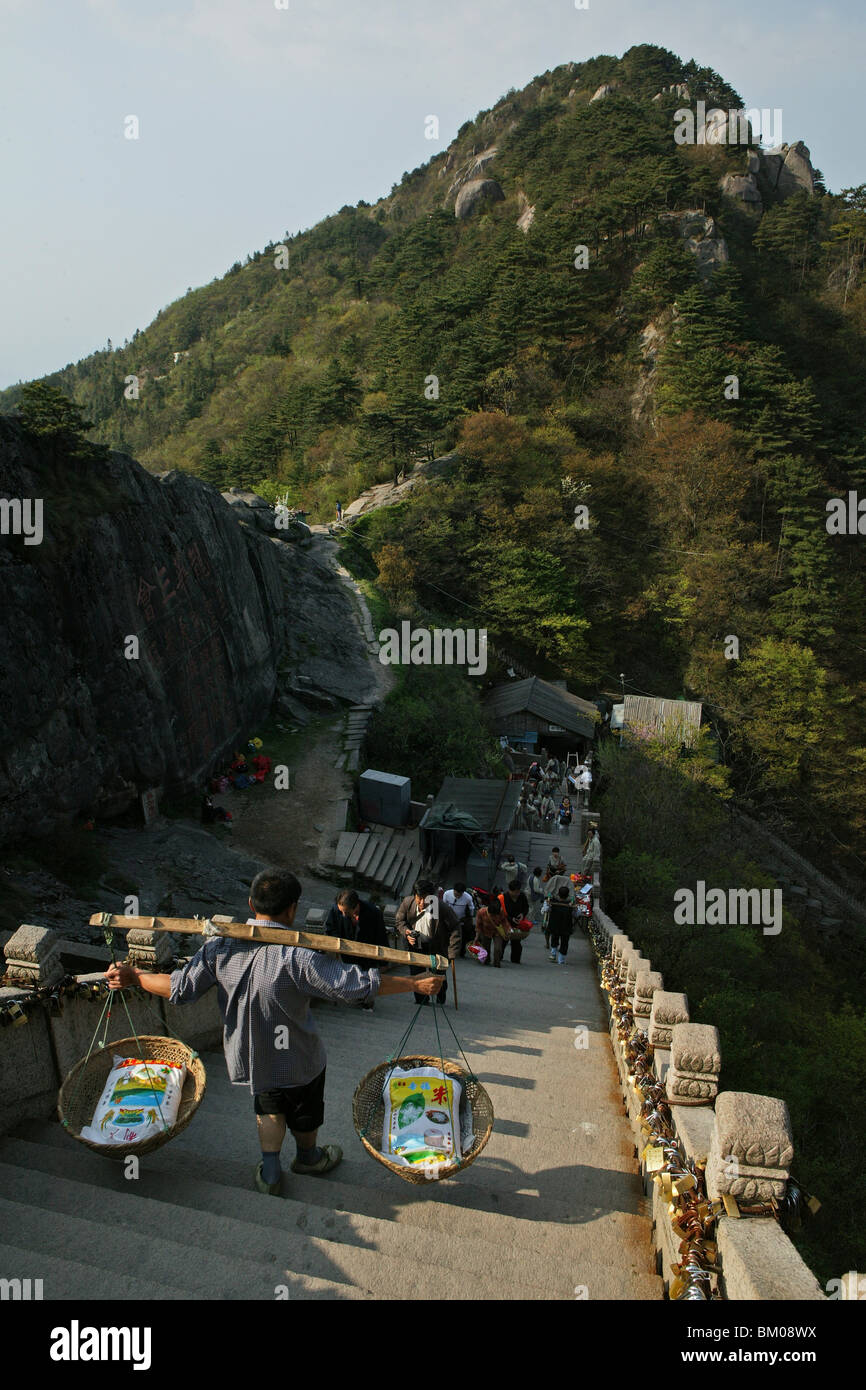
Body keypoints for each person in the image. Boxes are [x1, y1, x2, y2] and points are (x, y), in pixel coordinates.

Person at [103, 868, 442, 1196]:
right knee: (305, 1110)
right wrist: (413, 982)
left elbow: (179, 988)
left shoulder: (219, 947)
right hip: (300, 1057)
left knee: (268, 1107)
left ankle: (270, 1170)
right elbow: (355, 986)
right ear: (293, 908)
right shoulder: (300, 957)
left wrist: (135, 976)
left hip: (253, 1054)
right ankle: (308, 1158)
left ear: (251, 906)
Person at [395, 878, 460, 1004]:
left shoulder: (440, 907)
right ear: (415, 895)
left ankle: (440, 995)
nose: (422, 903)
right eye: (419, 899)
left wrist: (452, 952)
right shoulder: (408, 903)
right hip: (416, 945)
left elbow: (455, 927)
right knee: (417, 975)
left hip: (436, 946)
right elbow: (400, 921)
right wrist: (407, 932)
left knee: (438, 976)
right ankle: (422, 1001)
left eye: (426, 899)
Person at [323, 889, 389, 1008]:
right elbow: (330, 928)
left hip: (367, 955)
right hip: (347, 952)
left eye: (346, 912)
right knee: (350, 977)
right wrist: (338, 943)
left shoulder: (373, 913)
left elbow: (381, 937)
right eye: (341, 912)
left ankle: (367, 1003)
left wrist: (384, 961)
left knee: (367, 980)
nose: (343, 915)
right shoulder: (335, 910)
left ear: (355, 907)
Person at [500, 880, 531, 963]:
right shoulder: (503, 897)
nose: (516, 894)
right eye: (514, 892)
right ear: (509, 890)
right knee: (503, 941)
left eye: (518, 892)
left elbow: (526, 907)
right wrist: (510, 919)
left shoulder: (522, 896)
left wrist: (522, 914)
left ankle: (515, 960)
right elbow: (501, 912)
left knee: (516, 942)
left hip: (518, 924)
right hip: (506, 922)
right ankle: (499, 957)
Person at [474, 894, 509, 967]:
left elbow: (504, 922)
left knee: (498, 948)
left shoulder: (501, 911)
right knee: (486, 948)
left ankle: (497, 963)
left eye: (496, 915)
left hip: (497, 932)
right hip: (485, 931)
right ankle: (486, 960)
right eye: (492, 914)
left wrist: (506, 932)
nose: (494, 916)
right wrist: (477, 937)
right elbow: (478, 925)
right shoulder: (481, 912)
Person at [443, 881, 475, 957]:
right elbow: (444, 905)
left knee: (462, 936)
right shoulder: (447, 894)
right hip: (449, 918)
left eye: (459, 895)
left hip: (461, 919)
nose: (457, 896)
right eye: (456, 894)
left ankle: (461, 952)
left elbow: (471, 908)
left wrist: (469, 918)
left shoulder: (468, 898)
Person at [547, 885, 574, 966]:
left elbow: (546, 910)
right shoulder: (570, 905)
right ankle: (561, 960)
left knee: (554, 938)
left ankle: (553, 953)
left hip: (554, 925)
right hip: (566, 926)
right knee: (564, 942)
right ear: (568, 895)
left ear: (558, 894)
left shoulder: (553, 903)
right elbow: (576, 914)